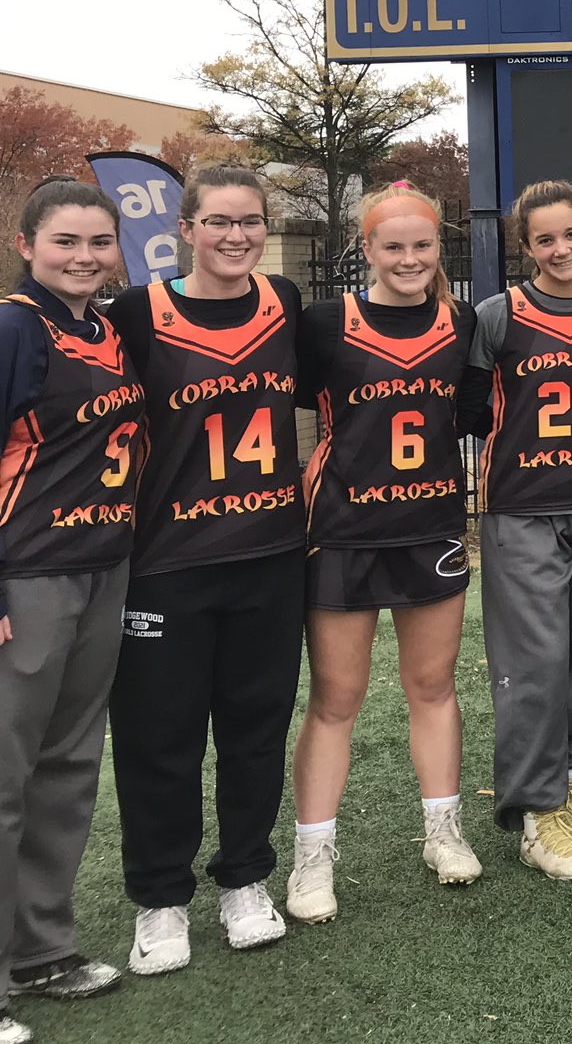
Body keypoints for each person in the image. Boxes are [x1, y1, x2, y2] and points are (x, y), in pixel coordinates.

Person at [108, 166, 304, 973]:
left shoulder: (285, 305)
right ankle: (160, 898)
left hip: (268, 555)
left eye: (250, 222)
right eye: (219, 222)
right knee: (161, 737)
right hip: (166, 562)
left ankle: (245, 880)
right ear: (185, 228)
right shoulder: (136, 315)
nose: (236, 237)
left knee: (256, 730)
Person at [284, 184, 480, 925]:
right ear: (365, 249)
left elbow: (470, 410)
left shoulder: (460, 322)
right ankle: (313, 856)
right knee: (337, 699)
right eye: (391, 246)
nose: (408, 259)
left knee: (433, 687)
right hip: (342, 528)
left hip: (429, 527)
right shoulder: (326, 323)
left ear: (439, 250)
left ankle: (443, 831)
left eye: (421, 246)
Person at [462, 181, 572, 881]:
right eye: (544, 239)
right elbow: (473, 412)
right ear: (525, 247)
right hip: (524, 509)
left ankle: (565, 791)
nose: (560, 249)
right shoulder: (498, 316)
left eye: (571, 234)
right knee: (534, 662)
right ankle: (535, 814)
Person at [0, 179, 143, 1037]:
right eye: (66, 242)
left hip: (102, 568)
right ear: (26, 245)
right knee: (4, 777)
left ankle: (42, 949)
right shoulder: (14, 326)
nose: (84, 257)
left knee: (66, 768)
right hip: (28, 575)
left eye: (99, 242)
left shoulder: (104, 328)